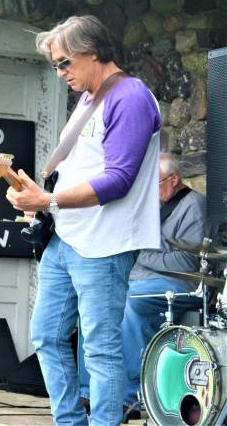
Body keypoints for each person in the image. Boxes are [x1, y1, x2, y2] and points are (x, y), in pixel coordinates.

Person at [5, 15, 162, 425]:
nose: (60, 73)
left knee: (101, 348)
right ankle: (69, 421)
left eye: (64, 63)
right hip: (69, 238)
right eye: (56, 65)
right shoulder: (91, 97)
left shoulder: (131, 96)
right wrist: (36, 198)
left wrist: (50, 199)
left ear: (91, 52)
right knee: (47, 337)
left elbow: (118, 180)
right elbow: (82, 168)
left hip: (105, 245)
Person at [79, 152, 206, 416]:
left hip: (178, 284)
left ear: (174, 179)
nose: (149, 189)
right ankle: (88, 392)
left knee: (128, 304)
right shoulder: (153, 204)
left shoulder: (194, 206)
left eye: (156, 182)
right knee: (93, 303)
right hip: (138, 280)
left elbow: (188, 263)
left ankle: (131, 397)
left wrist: (139, 252)